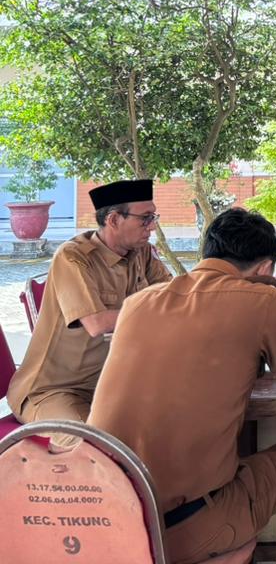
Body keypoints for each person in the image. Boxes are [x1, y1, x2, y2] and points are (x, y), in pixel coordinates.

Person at [88, 208, 276, 564]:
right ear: (265, 269)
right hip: (184, 527)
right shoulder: (265, 300)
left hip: (106, 518)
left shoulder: (137, 304)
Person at [7, 179, 171, 443]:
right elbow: (96, 323)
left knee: (179, 420)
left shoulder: (141, 254)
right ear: (114, 219)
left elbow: (175, 300)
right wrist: (157, 312)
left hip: (109, 386)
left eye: (154, 217)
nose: (152, 226)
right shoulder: (73, 257)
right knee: (93, 447)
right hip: (53, 391)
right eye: (145, 218)